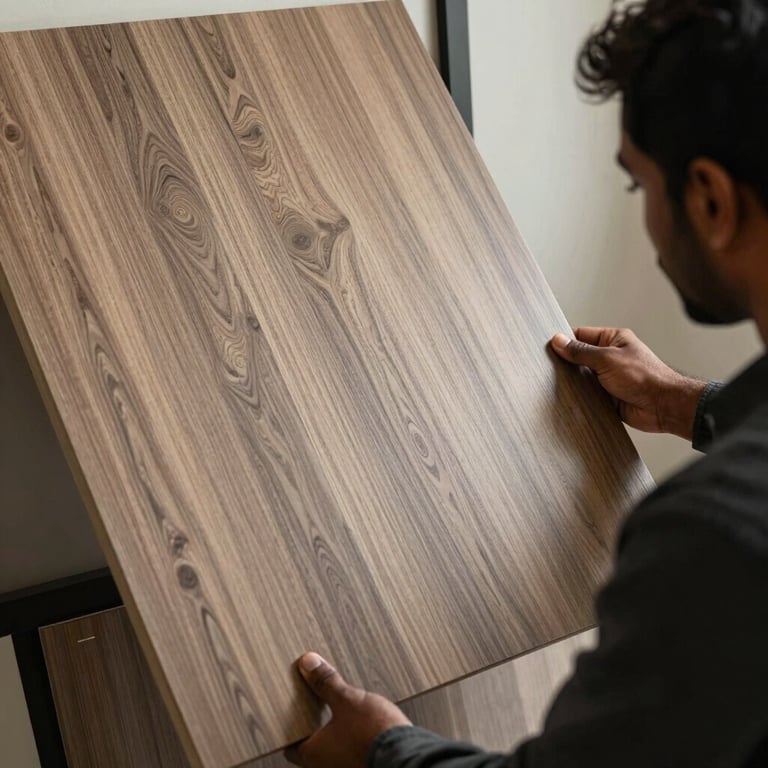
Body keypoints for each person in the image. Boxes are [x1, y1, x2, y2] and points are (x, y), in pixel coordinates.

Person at [285, 1, 768, 765]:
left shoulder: (713, 541)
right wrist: (687, 404)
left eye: (638, 187)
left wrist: (383, 751)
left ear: (708, 199)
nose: (643, 214)